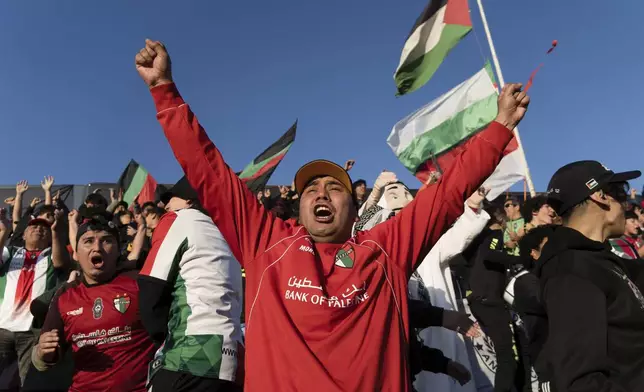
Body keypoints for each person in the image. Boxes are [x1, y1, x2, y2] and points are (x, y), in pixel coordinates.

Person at [135, 38, 529, 391]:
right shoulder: (266, 243)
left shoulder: (385, 249)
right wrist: (163, 91)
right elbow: (209, 173)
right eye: (311, 189)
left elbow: (447, 193)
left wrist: (500, 127)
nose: (321, 193)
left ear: (354, 207)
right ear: (300, 205)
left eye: (335, 187)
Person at [535, 161, 644, 391]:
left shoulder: (598, 261)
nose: (625, 204)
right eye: (620, 193)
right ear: (600, 196)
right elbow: (581, 382)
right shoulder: (571, 271)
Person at [138, 177, 244, 392]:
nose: (164, 205)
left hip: (189, 354)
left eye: (170, 199)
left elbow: (152, 285)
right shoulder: (230, 235)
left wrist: (158, 338)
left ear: (189, 201)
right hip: (233, 361)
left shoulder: (177, 219)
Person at [31, 216, 156, 391]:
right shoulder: (65, 295)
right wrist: (43, 353)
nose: (97, 247)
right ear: (76, 252)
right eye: (88, 241)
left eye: (106, 241)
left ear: (119, 250)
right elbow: (43, 359)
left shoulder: (140, 283)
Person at [0, 208, 70, 386]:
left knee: (28, 380)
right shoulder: (10, 252)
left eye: (44, 229)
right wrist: (5, 231)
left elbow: (61, 262)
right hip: (2, 327)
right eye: (33, 227)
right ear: (23, 235)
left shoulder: (50, 256)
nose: (39, 230)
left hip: (31, 331)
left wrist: (55, 232)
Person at [467, 208, 527, 392]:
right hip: (490, 302)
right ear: (501, 221)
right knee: (508, 357)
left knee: (507, 356)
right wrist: (519, 258)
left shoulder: (478, 240)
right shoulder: (494, 234)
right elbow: (490, 255)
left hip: (480, 300)